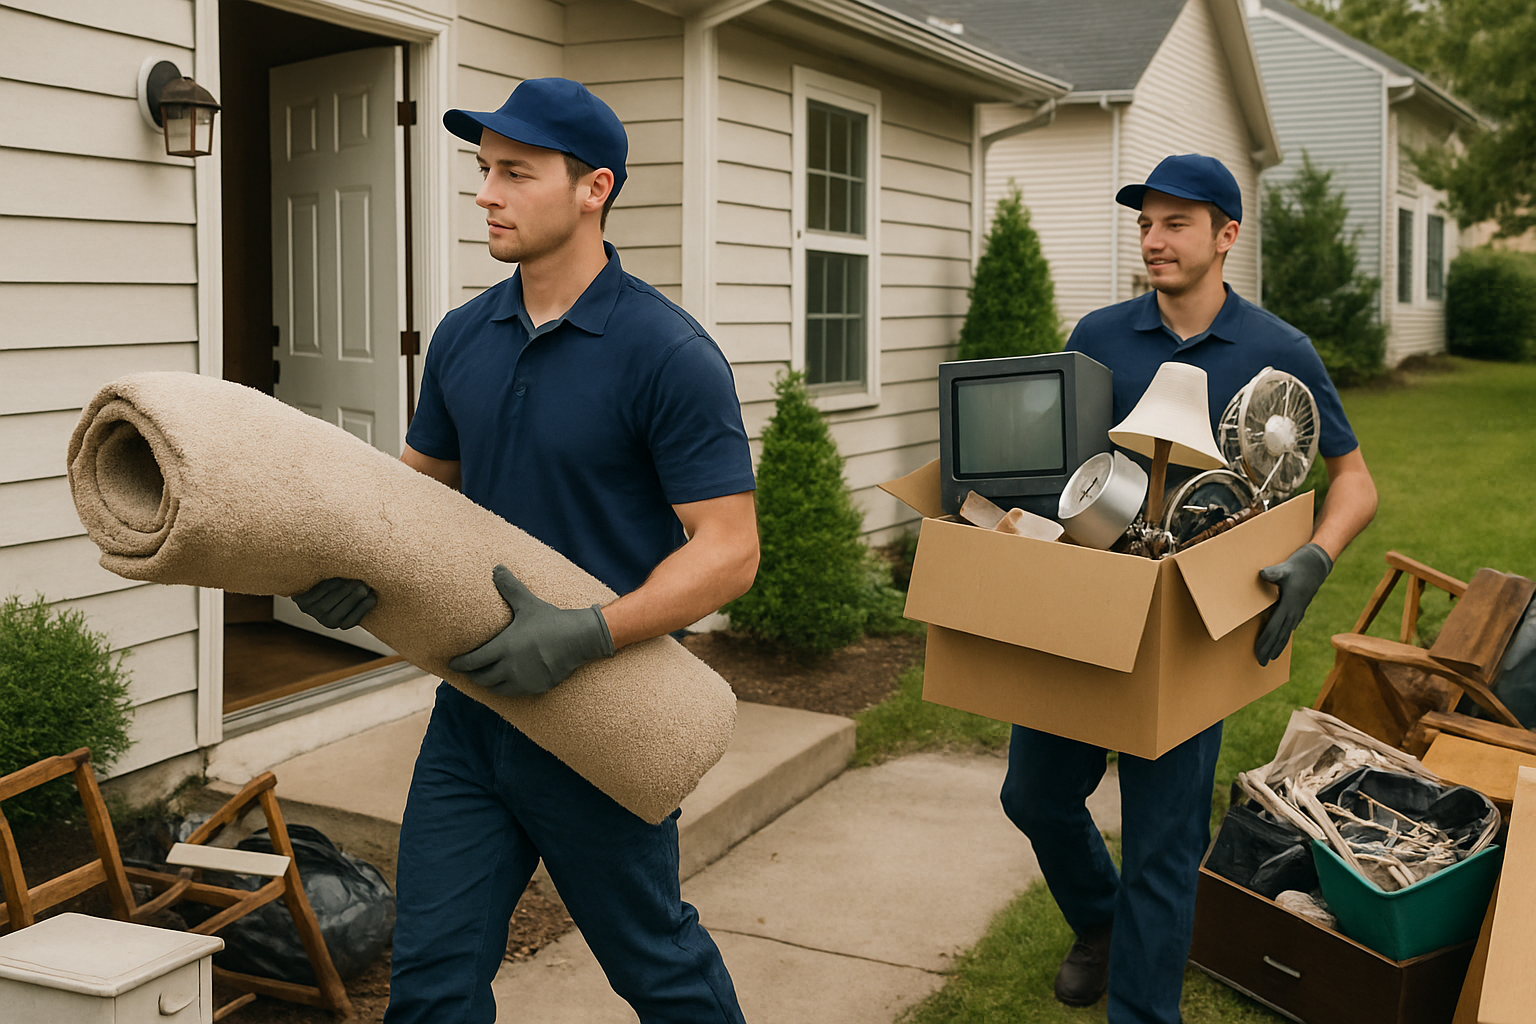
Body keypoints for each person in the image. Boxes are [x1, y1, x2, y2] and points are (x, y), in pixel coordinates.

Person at [293, 78, 759, 1024]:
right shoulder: (465, 336)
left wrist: (589, 632)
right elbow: (411, 498)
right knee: (430, 984)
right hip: (471, 714)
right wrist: (350, 564)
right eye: (483, 171)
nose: (487, 195)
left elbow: (729, 550)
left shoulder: (666, 353)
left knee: (657, 971)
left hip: (603, 713)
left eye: (516, 172)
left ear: (595, 188)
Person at [999, 154, 1378, 1024]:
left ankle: (1143, 1010)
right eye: (1145, 223)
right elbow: (1058, 461)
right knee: (1035, 795)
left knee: (1165, 845)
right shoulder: (1097, 333)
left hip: (1194, 627)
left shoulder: (1278, 349)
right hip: (1089, 607)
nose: (1154, 239)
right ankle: (1101, 920)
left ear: (1226, 235)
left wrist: (1315, 556)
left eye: (1176, 222)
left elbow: (1353, 480)